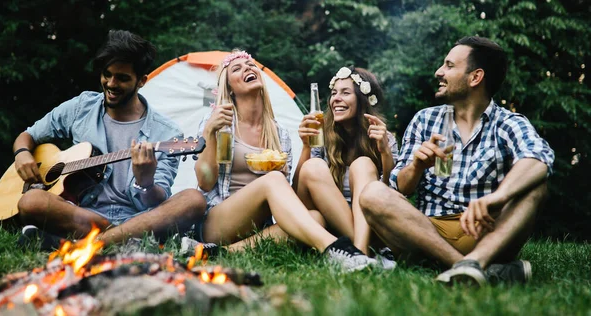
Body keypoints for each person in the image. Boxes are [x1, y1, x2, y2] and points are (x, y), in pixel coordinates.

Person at [359, 36, 554, 286]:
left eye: (449, 66)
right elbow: (399, 187)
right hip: (427, 232)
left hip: (485, 233)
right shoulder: (425, 120)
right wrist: (417, 166)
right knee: (373, 192)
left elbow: (539, 157)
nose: (439, 72)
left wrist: (498, 196)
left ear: (475, 77)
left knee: (536, 184)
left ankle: (471, 262)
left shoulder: (508, 123)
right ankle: (472, 269)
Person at [13, 30, 206, 247]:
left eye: (122, 78)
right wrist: (22, 154)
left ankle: (82, 245)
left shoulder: (167, 134)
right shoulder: (81, 108)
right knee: (31, 201)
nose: (111, 84)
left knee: (193, 200)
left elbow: (156, 202)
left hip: (138, 219)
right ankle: (123, 241)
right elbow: (27, 135)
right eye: (107, 74)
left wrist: (146, 182)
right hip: (82, 215)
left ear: (142, 81)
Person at [193, 50, 377, 272]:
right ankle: (335, 250)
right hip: (219, 219)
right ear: (229, 87)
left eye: (250, 65)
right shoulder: (219, 123)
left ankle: (219, 252)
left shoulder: (279, 133)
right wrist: (210, 132)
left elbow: (287, 194)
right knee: (272, 180)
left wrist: (306, 148)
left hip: (258, 225)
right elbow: (204, 182)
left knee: (315, 219)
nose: (248, 69)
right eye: (237, 68)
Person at [293, 67, 398, 268]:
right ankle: (362, 254)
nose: (336, 99)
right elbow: (298, 192)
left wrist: (385, 152)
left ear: (362, 100)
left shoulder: (384, 138)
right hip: (329, 226)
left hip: (371, 225)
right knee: (313, 166)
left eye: (345, 93)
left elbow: (392, 194)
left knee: (363, 164)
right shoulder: (321, 136)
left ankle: (357, 254)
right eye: (334, 93)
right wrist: (306, 146)